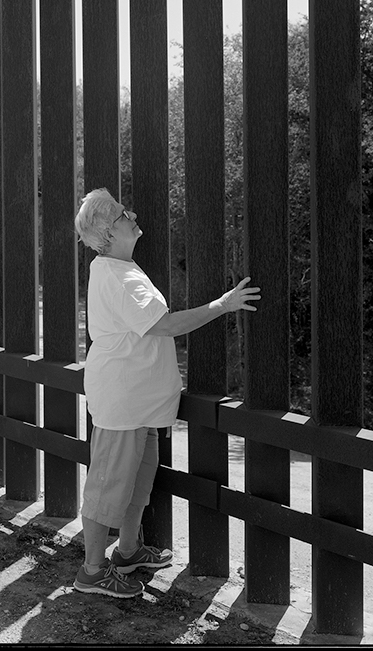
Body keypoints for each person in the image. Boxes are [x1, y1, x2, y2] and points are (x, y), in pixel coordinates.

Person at [71, 188, 260, 598]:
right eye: (122, 214)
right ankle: (91, 571)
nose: (132, 214)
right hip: (123, 402)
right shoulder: (118, 276)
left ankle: (127, 552)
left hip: (139, 401)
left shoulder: (121, 268)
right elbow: (167, 325)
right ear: (107, 233)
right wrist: (221, 305)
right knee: (108, 486)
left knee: (138, 482)